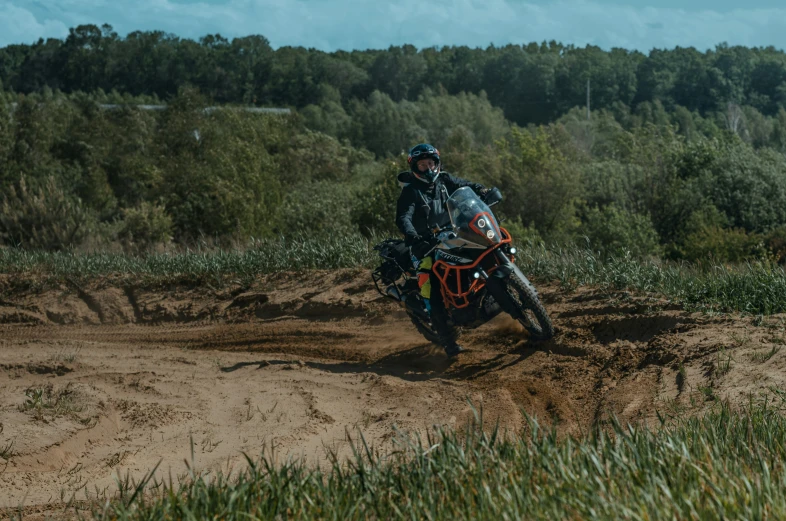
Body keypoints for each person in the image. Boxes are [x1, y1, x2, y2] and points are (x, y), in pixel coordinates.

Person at [395, 143, 489, 357]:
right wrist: (412, 236)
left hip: (454, 234)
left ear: (437, 164)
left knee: (482, 250)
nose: (428, 168)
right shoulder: (410, 191)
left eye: (431, 163)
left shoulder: (445, 180)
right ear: (414, 168)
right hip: (424, 245)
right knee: (430, 285)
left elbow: (466, 187)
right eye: (422, 165)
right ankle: (448, 342)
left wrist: (483, 190)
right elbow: (403, 217)